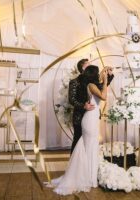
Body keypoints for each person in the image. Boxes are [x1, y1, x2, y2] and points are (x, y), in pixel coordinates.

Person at [50, 65, 108, 195]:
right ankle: (88, 178)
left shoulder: (91, 84)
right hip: (88, 119)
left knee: (89, 148)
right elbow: (104, 96)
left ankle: (88, 176)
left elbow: (102, 91)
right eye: (98, 72)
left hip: (91, 119)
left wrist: (105, 75)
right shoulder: (91, 85)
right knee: (90, 147)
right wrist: (104, 81)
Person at [68, 58, 114, 154]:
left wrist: (108, 76)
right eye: (89, 65)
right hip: (79, 116)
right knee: (78, 140)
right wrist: (83, 106)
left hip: (91, 116)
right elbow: (71, 100)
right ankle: (75, 163)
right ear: (83, 68)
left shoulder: (92, 81)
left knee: (89, 141)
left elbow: (101, 88)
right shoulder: (74, 82)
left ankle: (87, 162)